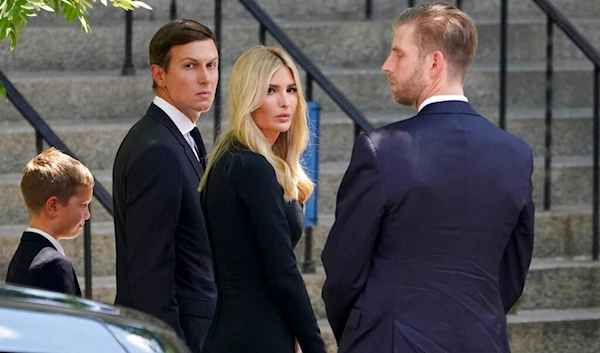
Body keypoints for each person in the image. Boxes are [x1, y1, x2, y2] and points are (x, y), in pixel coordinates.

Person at [321, 3, 535, 353]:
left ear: (434, 62)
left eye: (398, 54)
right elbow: (512, 273)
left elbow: (343, 267)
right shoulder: (516, 154)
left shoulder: (382, 150)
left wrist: (364, 331)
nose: (386, 65)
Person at [199, 46, 327, 353]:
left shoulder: (233, 158)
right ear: (248, 96)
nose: (285, 101)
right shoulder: (250, 167)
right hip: (253, 338)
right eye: (271, 90)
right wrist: (314, 344)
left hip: (245, 331)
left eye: (291, 89)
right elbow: (282, 270)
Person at [112, 19, 218, 353]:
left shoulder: (181, 137)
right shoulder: (156, 149)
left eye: (211, 65)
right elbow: (150, 271)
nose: (206, 78)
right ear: (159, 75)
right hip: (176, 336)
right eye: (190, 66)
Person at [6, 147, 93, 296]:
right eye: (83, 205)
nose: (87, 215)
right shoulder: (53, 265)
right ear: (53, 206)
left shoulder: (22, 256)